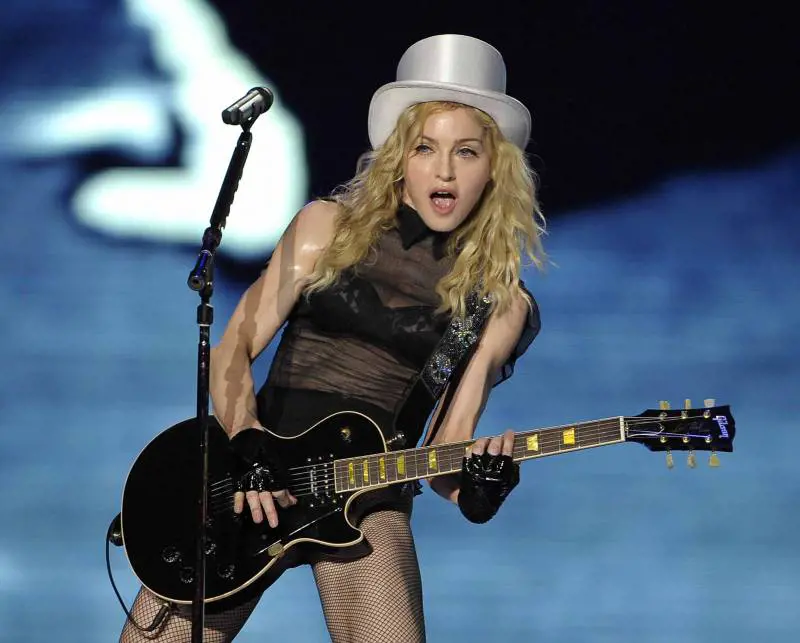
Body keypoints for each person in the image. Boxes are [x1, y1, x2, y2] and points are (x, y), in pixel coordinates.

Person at [120, 33, 546, 643]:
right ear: (399, 157)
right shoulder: (325, 228)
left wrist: (479, 490)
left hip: (365, 498)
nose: (445, 170)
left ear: (494, 169)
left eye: (467, 152)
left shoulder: (498, 301)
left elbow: (446, 450)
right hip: (252, 478)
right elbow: (234, 346)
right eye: (426, 148)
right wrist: (248, 442)